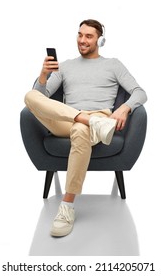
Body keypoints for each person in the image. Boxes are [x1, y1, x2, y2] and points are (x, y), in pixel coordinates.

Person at [24, 19, 147, 237]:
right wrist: (43, 75)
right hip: (70, 120)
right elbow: (40, 98)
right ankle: (87, 121)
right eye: (80, 35)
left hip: (98, 116)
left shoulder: (113, 64)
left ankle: (67, 207)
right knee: (29, 95)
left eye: (88, 36)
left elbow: (140, 92)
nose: (82, 40)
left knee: (80, 131)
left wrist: (125, 107)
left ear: (100, 40)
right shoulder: (65, 66)